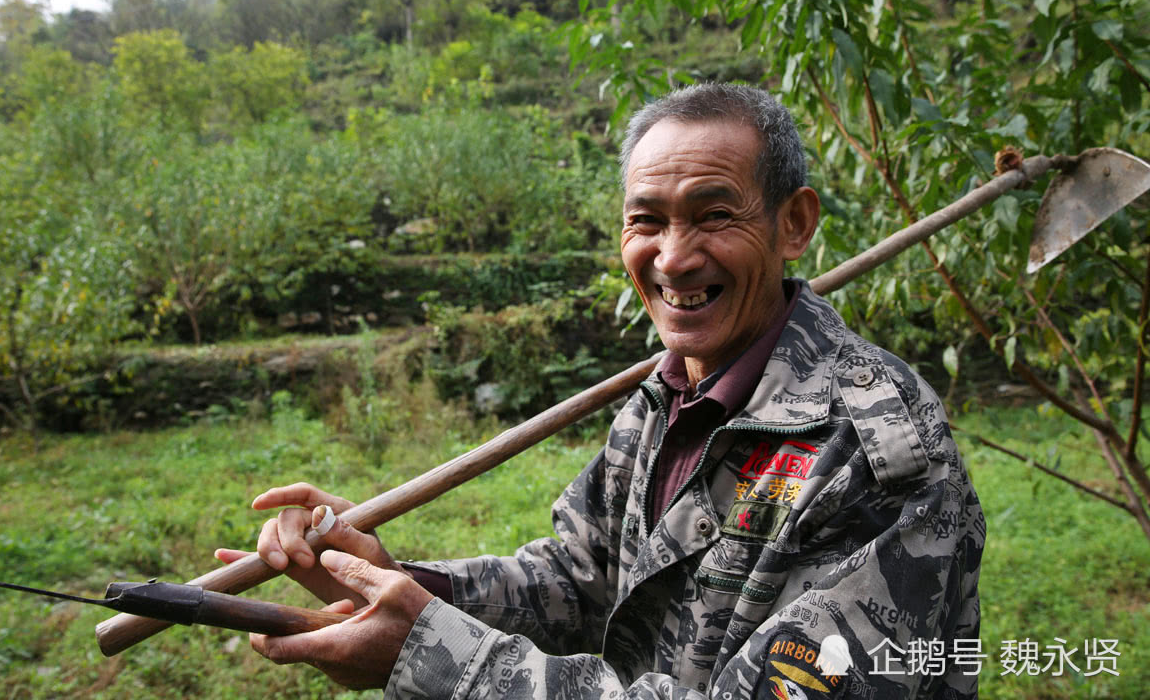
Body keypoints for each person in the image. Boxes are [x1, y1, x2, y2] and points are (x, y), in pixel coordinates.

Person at [216, 83, 985, 699]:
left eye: (715, 215)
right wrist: (396, 583)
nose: (673, 257)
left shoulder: (877, 451)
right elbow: (578, 581)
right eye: (645, 221)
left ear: (795, 223)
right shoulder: (666, 396)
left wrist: (432, 655)